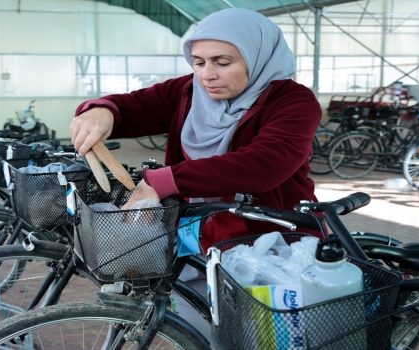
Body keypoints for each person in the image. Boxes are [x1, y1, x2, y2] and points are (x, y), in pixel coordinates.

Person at [70, 8, 323, 341]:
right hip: (198, 232)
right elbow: (135, 107)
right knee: (200, 325)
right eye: (199, 62)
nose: (207, 75)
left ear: (257, 55)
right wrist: (101, 111)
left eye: (223, 62)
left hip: (269, 239)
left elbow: (264, 164)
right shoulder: (188, 92)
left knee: (262, 335)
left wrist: (163, 181)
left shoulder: (294, 102)